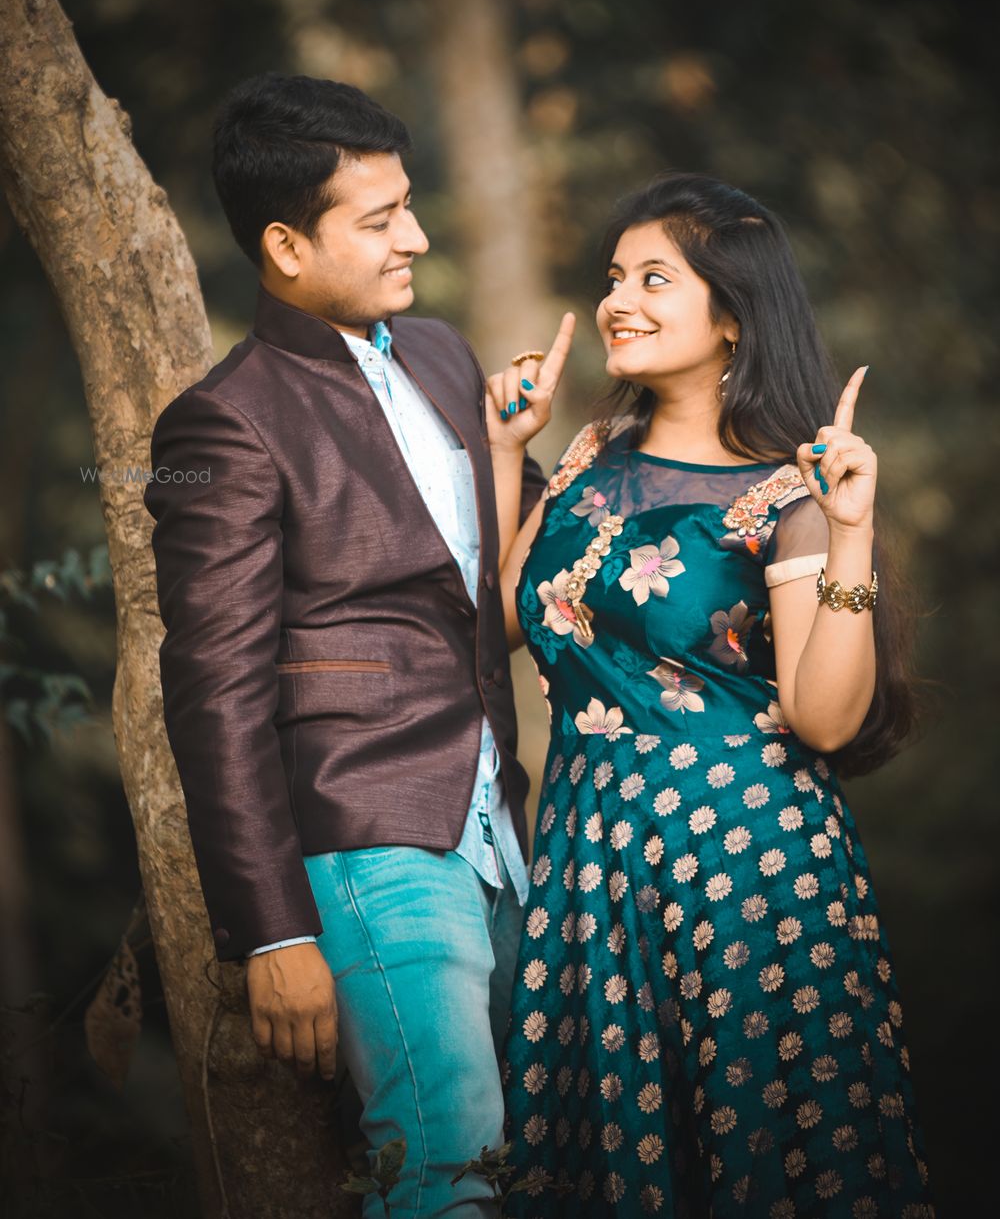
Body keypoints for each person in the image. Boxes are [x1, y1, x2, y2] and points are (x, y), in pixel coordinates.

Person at [143, 73, 566, 1217]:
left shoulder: (439, 354)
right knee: (445, 1165)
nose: (414, 238)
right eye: (379, 221)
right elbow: (215, 691)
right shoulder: (225, 420)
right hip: (367, 836)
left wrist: (511, 454)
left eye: (408, 205)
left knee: (527, 1168)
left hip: (498, 819)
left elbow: (476, 590)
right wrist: (271, 929)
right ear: (285, 245)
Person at [488, 175, 933, 1216]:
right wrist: (508, 453)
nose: (617, 301)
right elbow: (502, 618)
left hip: (744, 863)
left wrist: (851, 532)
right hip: (592, 859)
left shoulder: (789, 494)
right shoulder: (591, 458)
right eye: (614, 278)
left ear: (732, 315)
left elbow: (824, 719)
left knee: (770, 1167)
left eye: (654, 279)